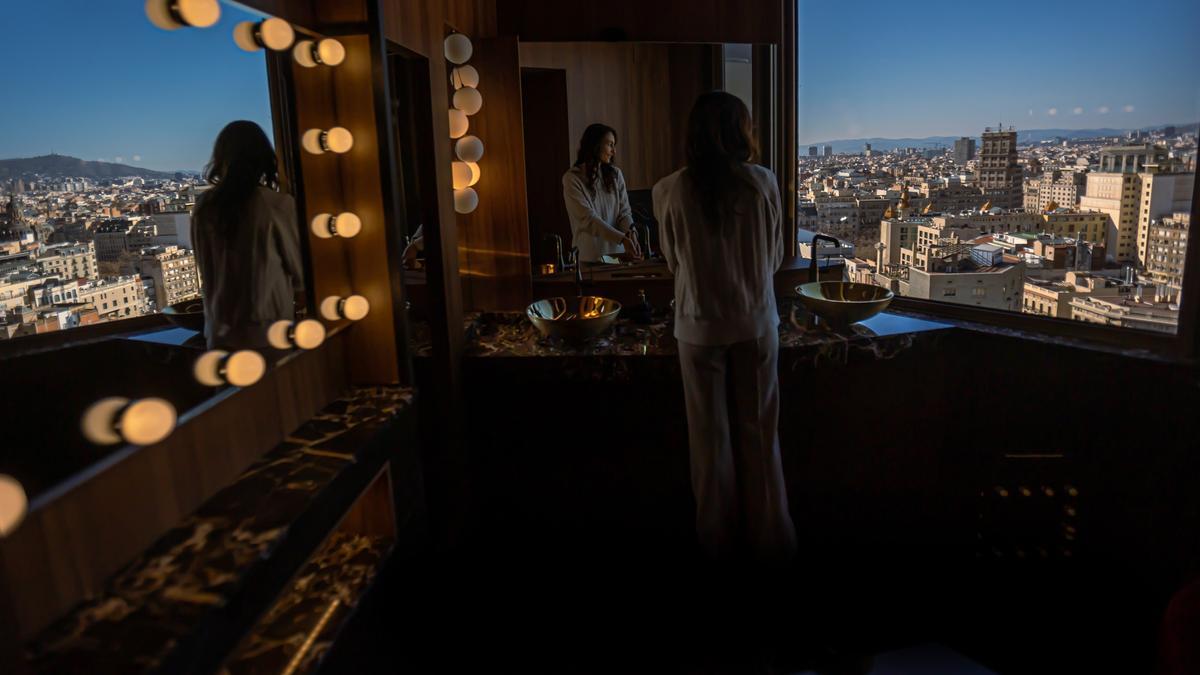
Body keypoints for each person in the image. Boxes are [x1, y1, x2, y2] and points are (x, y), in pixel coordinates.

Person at [653, 92, 797, 564]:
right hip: (756, 322)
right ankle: (772, 550)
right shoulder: (763, 184)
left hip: (697, 328)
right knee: (760, 439)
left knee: (709, 448)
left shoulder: (668, 190)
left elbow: (673, 262)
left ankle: (717, 554)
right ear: (743, 132)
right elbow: (775, 259)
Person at [192, 120, 304, 352]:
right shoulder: (276, 205)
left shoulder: (204, 207)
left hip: (219, 333)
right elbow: (300, 271)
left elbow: (203, 265)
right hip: (268, 333)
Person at [562, 123, 642, 263]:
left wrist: (631, 232)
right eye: (610, 144)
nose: (614, 151)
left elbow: (624, 213)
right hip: (590, 258)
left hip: (616, 257)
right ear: (595, 145)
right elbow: (589, 220)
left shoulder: (616, 175)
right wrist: (622, 239)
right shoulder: (572, 178)